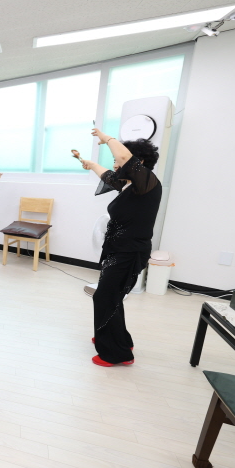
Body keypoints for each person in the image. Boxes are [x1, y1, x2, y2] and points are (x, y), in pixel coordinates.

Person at [77, 129, 162, 367]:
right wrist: (92, 163)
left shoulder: (148, 183)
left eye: (118, 160)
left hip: (129, 251)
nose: (115, 164)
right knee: (112, 296)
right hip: (119, 249)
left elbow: (124, 159)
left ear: (139, 163)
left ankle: (117, 353)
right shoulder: (129, 185)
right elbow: (107, 176)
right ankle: (118, 339)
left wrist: (107, 139)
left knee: (105, 296)